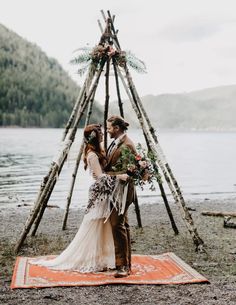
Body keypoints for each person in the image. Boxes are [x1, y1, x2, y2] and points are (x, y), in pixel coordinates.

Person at [30, 124, 128, 273]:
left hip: (104, 193)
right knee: (93, 226)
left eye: (102, 132)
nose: (102, 134)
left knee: (102, 226)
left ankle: (102, 258)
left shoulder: (98, 151)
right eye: (100, 133)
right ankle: (88, 257)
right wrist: (119, 177)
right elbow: (100, 178)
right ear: (94, 136)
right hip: (99, 194)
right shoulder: (92, 155)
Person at [106, 115, 136, 278]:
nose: (107, 130)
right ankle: (126, 263)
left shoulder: (127, 145)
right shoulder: (116, 142)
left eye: (109, 128)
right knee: (122, 224)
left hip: (123, 193)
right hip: (116, 191)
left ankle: (123, 266)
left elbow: (130, 173)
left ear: (116, 128)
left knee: (117, 225)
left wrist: (105, 174)